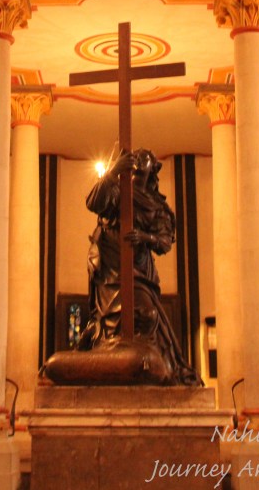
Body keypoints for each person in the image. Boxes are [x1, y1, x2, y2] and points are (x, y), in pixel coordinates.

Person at [78, 148, 201, 385]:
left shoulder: (157, 206)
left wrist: (145, 238)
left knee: (146, 313)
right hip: (108, 266)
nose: (137, 160)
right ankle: (110, 361)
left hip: (138, 269)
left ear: (152, 168)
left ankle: (145, 365)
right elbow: (93, 202)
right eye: (135, 157)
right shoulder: (118, 191)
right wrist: (113, 171)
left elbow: (165, 242)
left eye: (144, 158)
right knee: (107, 321)